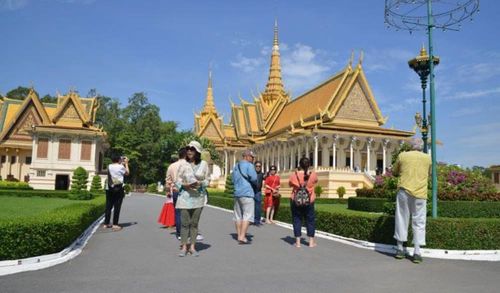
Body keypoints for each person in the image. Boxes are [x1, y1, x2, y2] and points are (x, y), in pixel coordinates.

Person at [392, 138, 431, 264]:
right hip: (420, 193)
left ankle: (399, 249)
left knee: (402, 218)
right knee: (419, 221)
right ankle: (417, 252)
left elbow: (395, 171)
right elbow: (429, 173)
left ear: (410, 146)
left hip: (404, 190)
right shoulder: (427, 158)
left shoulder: (403, 156)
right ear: (421, 147)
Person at [175, 141, 209, 257]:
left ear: (197, 151)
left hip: (198, 197)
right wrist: (184, 186)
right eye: (188, 149)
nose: (189, 151)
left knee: (194, 224)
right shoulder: (183, 164)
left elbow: (207, 180)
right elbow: (177, 180)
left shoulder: (204, 164)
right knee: (185, 224)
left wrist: (201, 183)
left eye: (192, 149)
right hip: (184, 197)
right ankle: (184, 246)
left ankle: (193, 247)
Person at [288, 157, 318, 248]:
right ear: (309, 165)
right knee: (310, 220)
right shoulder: (313, 175)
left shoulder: (294, 175)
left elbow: (290, 184)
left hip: (296, 200)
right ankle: (311, 242)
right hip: (309, 200)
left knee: (297, 219)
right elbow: (315, 182)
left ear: (299, 165)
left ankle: (298, 242)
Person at [232, 149, 257, 244]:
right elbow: (254, 178)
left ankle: (239, 235)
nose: (253, 159)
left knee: (238, 215)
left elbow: (233, 179)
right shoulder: (249, 165)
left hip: (237, 192)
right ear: (246, 156)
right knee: (247, 215)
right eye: (252, 157)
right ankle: (242, 236)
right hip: (247, 192)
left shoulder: (236, 166)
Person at [104, 154, 130, 231]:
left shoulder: (109, 166)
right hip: (118, 188)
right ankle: (115, 224)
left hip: (109, 187)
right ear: (119, 159)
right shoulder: (121, 167)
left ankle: (106, 223)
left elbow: (115, 168)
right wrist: (126, 164)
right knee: (117, 206)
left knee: (108, 206)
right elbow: (127, 173)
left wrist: (121, 162)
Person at [166, 148, 187, 239]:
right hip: (187, 191)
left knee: (178, 213)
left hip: (176, 191)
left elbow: (168, 180)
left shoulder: (172, 166)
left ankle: (179, 233)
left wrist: (167, 191)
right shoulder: (189, 165)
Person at [253, 161, 264, 226]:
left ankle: (257, 221)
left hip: (258, 192)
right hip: (251, 192)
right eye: (257, 166)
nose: (258, 167)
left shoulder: (262, 174)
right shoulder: (251, 173)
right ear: (254, 166)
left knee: (258, 207)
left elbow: (267, 178)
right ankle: (248, 220)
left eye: (259, 166)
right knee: (249, 207)